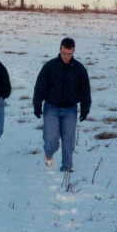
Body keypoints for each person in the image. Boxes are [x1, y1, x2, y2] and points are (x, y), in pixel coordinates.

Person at [33, 37, 91, 172]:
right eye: (64, 53)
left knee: (69, 140)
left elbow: (85, 90)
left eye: (69, 54)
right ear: (60, 50)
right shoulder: (50, 66)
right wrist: (37, 104)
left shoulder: (79, 69)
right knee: (51, 139)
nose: (66, 56)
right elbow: (40, 87)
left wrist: (85, 108)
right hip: (51, 108)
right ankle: (49, 153)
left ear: (73, 51)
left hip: (70, 109)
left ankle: (67, 168)